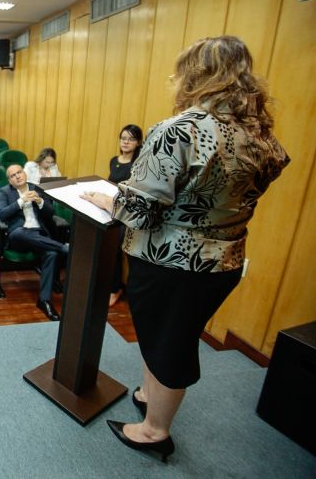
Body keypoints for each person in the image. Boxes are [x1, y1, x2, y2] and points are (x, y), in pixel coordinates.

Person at [80, 36, 289, 462]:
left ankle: (155, 430)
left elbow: (139, 209)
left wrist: (108, 199)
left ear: (196, 76)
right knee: (171, 333)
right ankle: (147, 393)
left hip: (169, 261)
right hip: (225, 259)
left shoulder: (180, 129)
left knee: (170, 343)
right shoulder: (259, 133)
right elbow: (273, 170)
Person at [0, 164, 68, 321]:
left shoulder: (36, 188)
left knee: (51, 254)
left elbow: (51, 212)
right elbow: (1, 214)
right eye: (13, 175)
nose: (17, 176)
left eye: (19, 172)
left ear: (25, 173)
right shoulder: (5, 192)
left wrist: (40, 201)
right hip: (19, 236)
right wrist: (21, 201)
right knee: (21, 232)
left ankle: (44, 301)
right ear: (9, 180)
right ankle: (64, 248)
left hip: (38, 235)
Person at [107, 124, 144, 307]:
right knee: (109, 247)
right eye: (123, 138)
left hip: (127, 213)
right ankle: (112, 286)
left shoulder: (138, 164)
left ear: (138, 142)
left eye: (130, 139)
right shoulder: (115, 160)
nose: (126, 142)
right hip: (111, 209)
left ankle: (117, 289)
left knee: (118, 248)